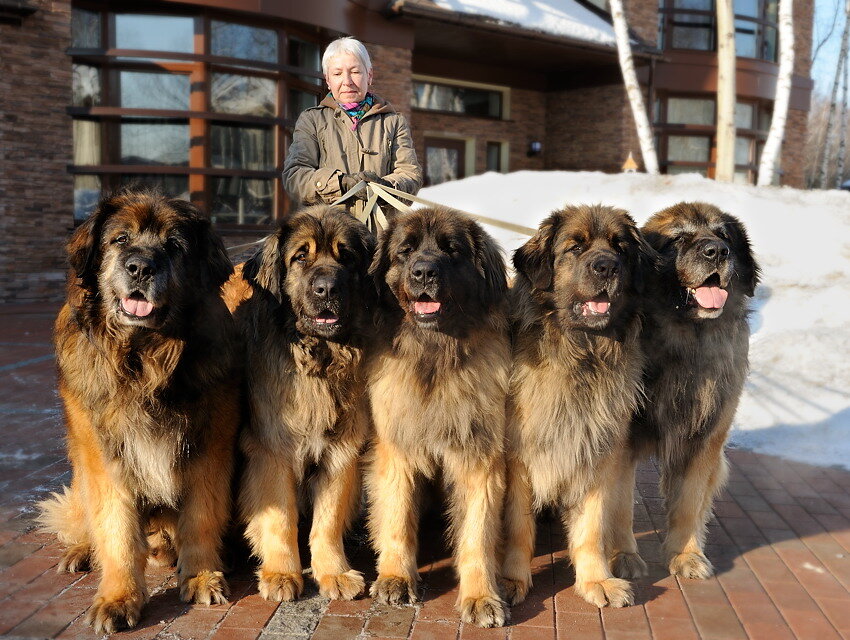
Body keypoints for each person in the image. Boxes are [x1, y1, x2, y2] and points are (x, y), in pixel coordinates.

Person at [283, 37, 422, 231]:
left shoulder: (393, 121)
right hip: (329, 238)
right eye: (338, 73)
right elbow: (295, 176)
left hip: (381, 238)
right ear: (328, 80)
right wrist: (340, 183)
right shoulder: (312, 121)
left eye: (355, 71)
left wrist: (382, 186)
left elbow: (410, 175)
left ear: (369, 76)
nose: (347, 82)